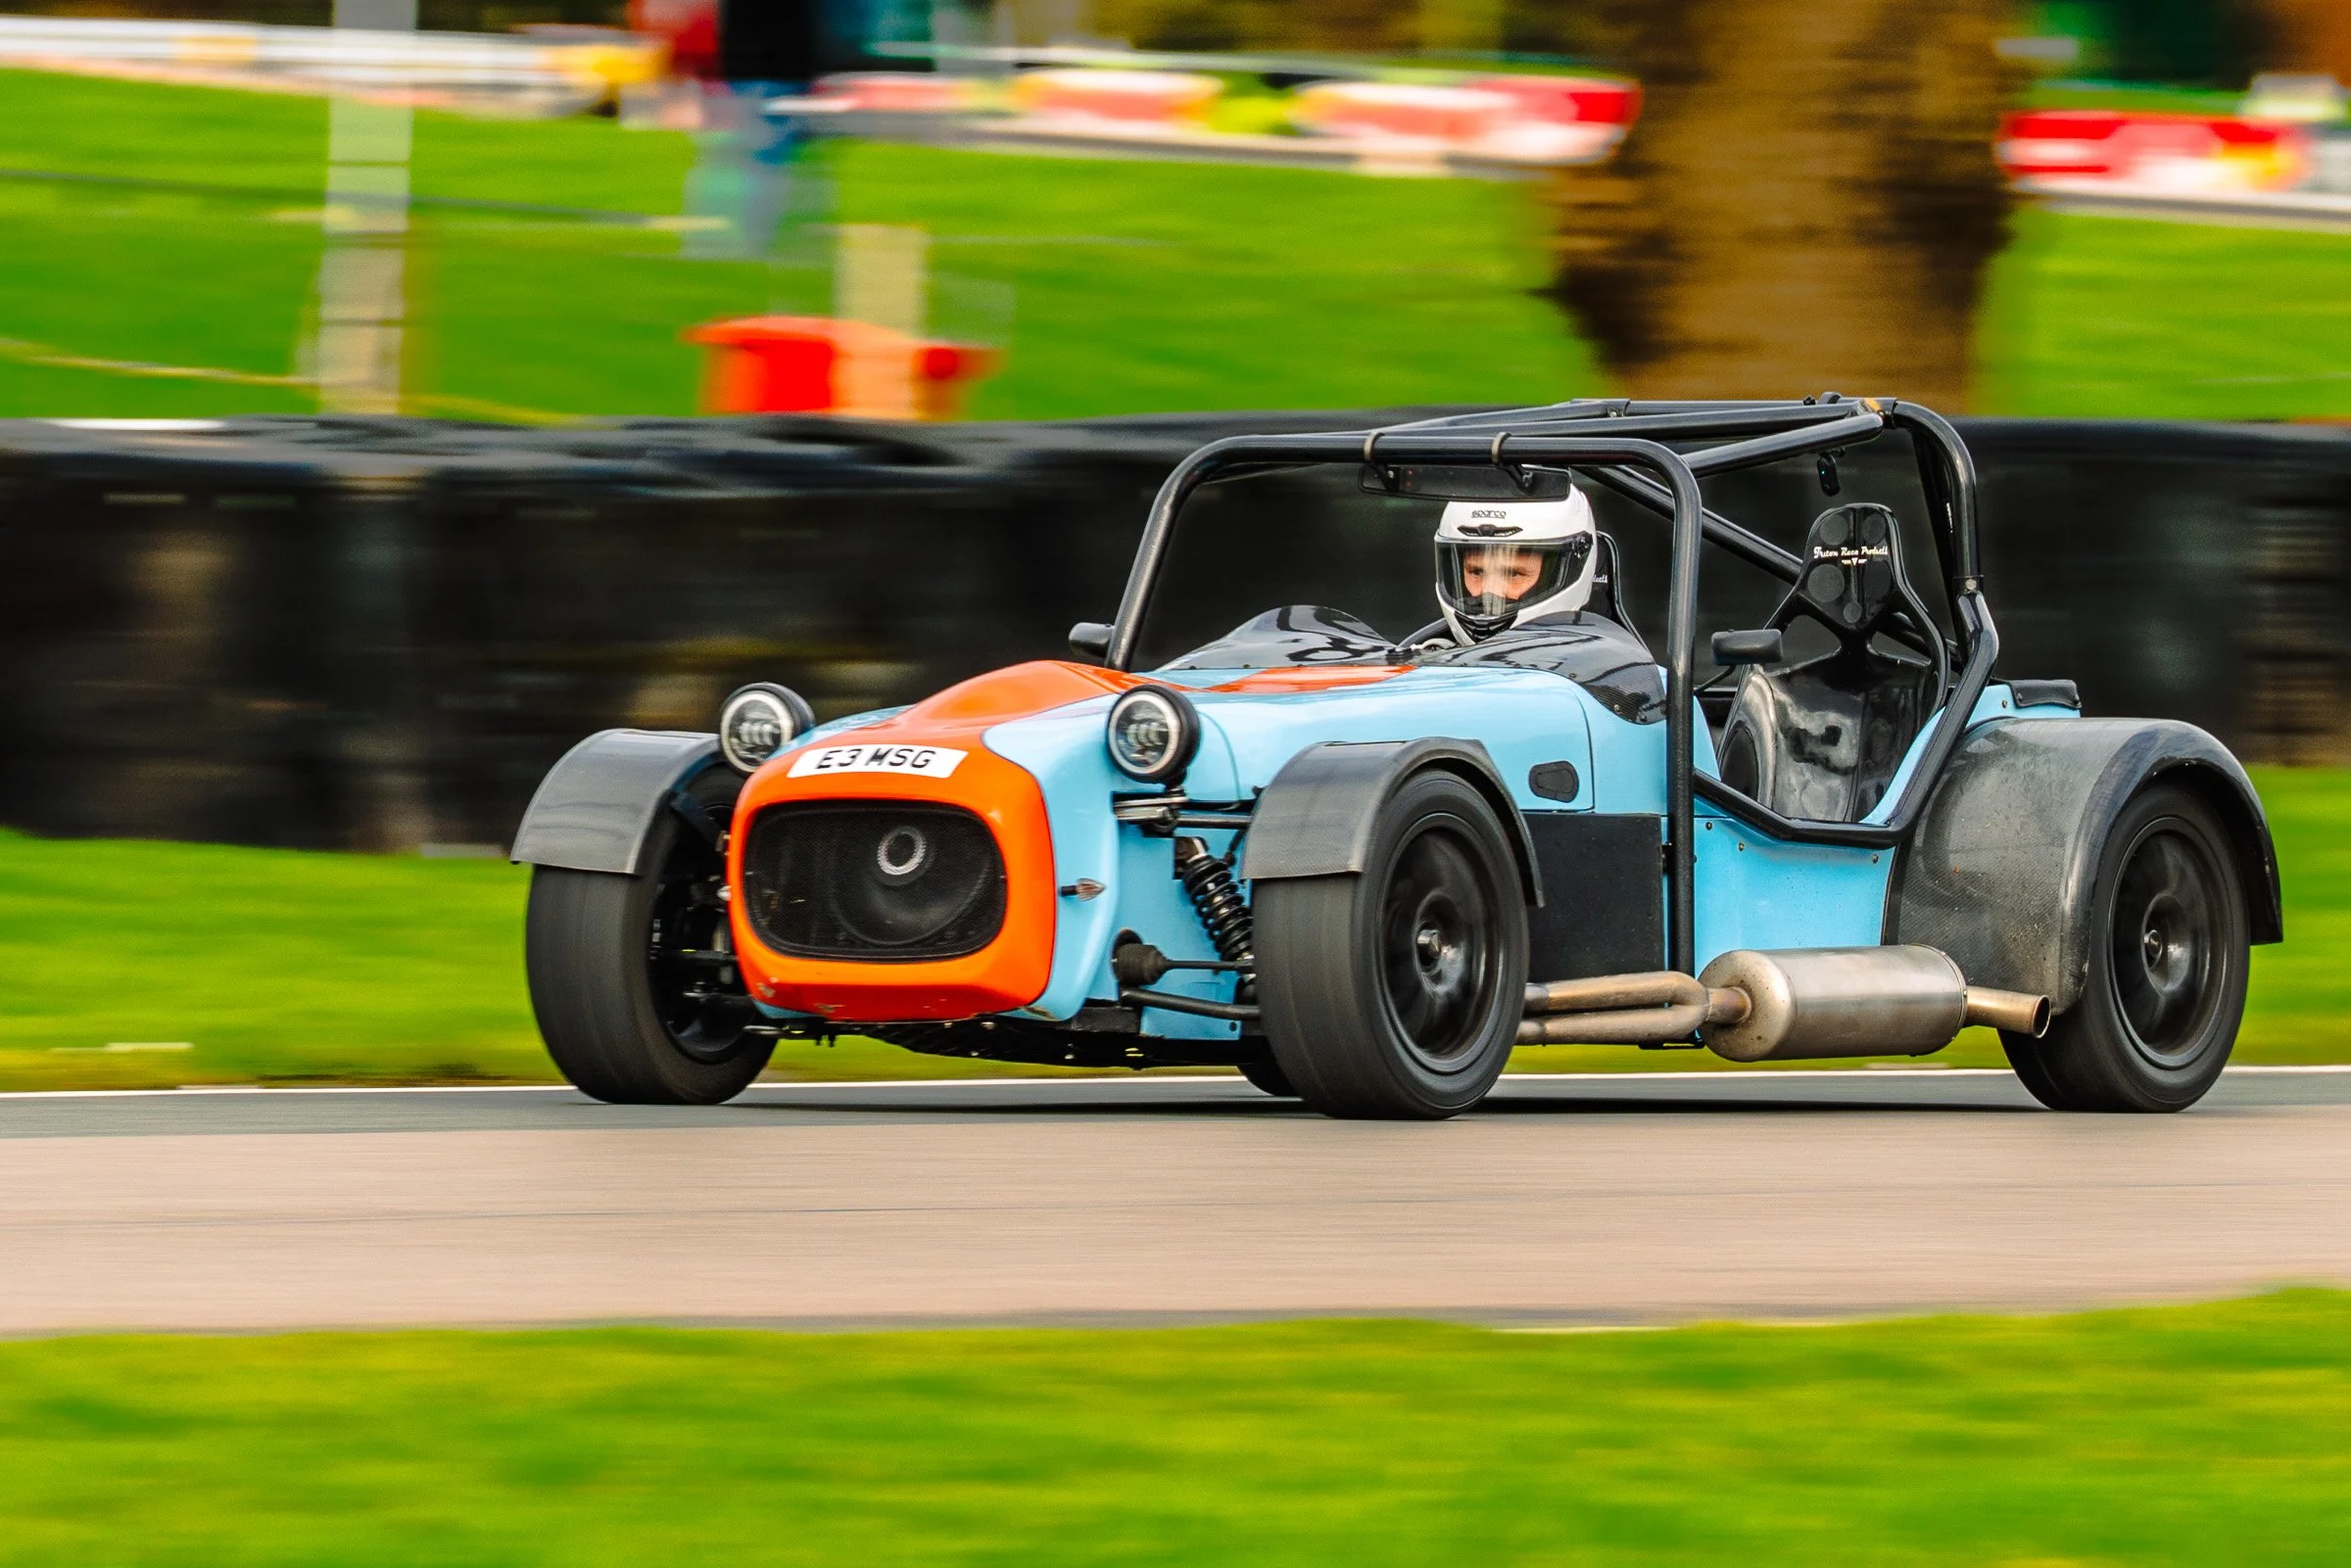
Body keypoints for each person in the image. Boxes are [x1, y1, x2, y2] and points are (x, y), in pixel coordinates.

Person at [1430, 490, 1600, 644]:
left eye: (1513, 573)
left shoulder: (1608, 667)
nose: (1490, 592)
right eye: (1477, 572)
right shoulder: (1427, 657)